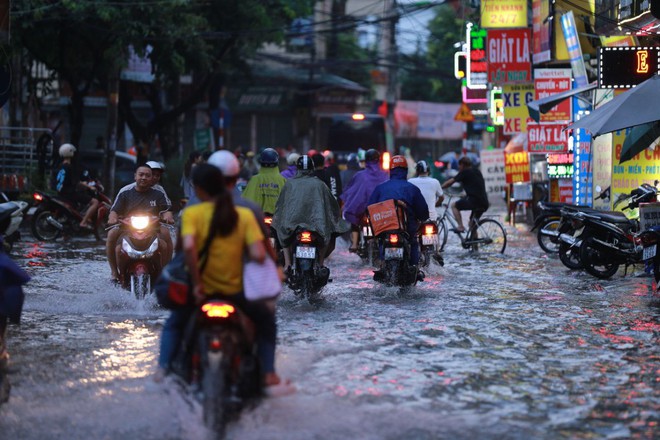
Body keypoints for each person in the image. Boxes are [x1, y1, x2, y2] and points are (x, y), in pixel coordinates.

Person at [157, 163, 287, 389]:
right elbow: (258, 254)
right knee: (267, 322)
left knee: (174, 323)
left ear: (198, 188)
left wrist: (197, 285)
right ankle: (268, 374)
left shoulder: (192, 213)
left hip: (200, 293)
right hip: (236, 293)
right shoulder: (244, 214)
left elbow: (187, 249)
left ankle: (162, 370)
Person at [272, 155, 350, 272]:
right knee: (328, 236)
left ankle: (287, 264)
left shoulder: (289, 184)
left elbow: (280, 206)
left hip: (292, 226)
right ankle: (320, 263)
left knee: (282, 231)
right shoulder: (320, 185)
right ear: (312, 168)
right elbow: (332, 205)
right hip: (317, 226)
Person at [106, 164, 174, 282]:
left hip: (152, 227)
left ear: (152, 178)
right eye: (141, 175)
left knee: (164, 241)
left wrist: (168, 217)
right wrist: (112, 218)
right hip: (126, 227)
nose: (143, 178)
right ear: (135, 176)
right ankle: (115, 272)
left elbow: (166, 211)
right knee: (112, 237)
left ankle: (164, 271)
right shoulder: (125, 192)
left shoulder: (158, 193)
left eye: (147, 176)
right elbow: (114, 211)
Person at [368, 155, 428, 276]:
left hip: (385, 229)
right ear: (405, 171)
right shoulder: (413, 189)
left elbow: (370, 209)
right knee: (413, 242)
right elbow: (423, 212)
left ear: (390, 171)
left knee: (381, 241)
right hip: (407, 229)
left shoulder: (380, 188)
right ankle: (414, 267)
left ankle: (383, 264)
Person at [340, 149, 388, 252]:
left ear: (366, 160)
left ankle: (354, 244)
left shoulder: (360, 175)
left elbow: (351, 191)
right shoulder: (385, 175)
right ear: (378, 160)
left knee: (354, 215)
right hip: (381, 210)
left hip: (363, 209)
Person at [54, 143, 100, 229]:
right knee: (95, 202)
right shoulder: (70, 167)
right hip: (69, 193)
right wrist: (89, 187)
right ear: (70, 152)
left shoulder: (61, 166)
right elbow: (77, 182)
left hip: (60, 193)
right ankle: (83, 222)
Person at [441, 156, 489, 232]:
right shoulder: (477, 171)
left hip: (474, 201)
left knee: (454, 205)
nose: (459, 167)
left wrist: (440, 187)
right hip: (484, 202)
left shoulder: (465, 172)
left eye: (459, 165)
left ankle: (460, 226)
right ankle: (474, 241)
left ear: (463, 165)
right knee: (472, 224)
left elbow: (450, 182)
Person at [242, 148, 286, 215]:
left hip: (258, 218)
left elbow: (245, 201)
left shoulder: (254, 179)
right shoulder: (283, 180)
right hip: (277, 220)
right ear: (277, 162)